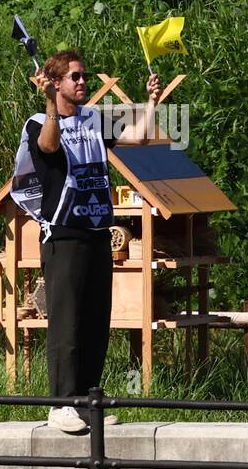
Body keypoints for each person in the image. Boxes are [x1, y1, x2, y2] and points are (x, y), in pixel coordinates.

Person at [9, 49, 161, 432]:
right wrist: (48, 103)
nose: (82, 82)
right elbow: (47, 147)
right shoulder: (38, 123)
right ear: (56, 83)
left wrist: (151, 102)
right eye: (74, 77)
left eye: (83, 76)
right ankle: (61, 404)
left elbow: (139, 138)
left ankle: (89, 401)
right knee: (67, 322)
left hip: (98, 233)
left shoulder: (95, 118)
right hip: (64, 233)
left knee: (96, 321)